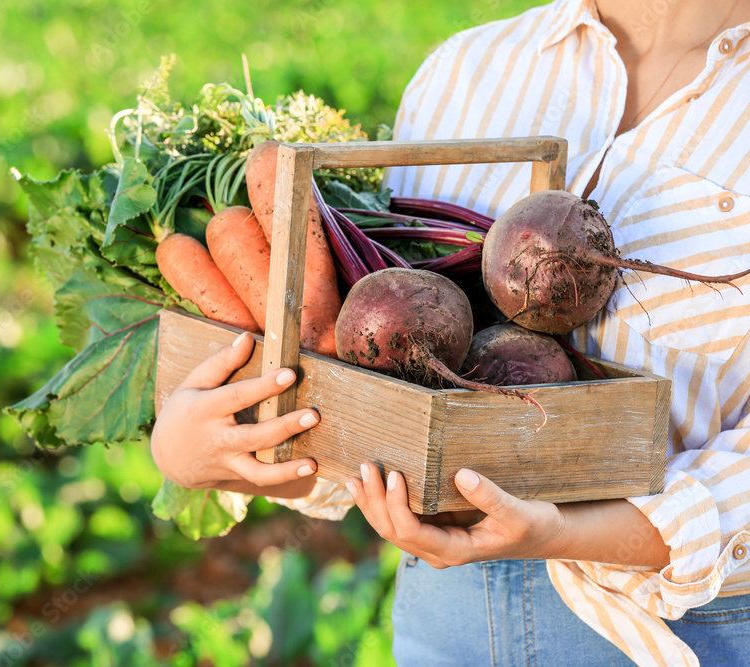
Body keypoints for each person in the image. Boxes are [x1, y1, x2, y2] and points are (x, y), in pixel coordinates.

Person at [151, 0, 750, 663]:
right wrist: (217, 453)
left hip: (691, 622)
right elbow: (386, 394)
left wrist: (559, 530)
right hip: (449, 618)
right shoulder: (463, 74)